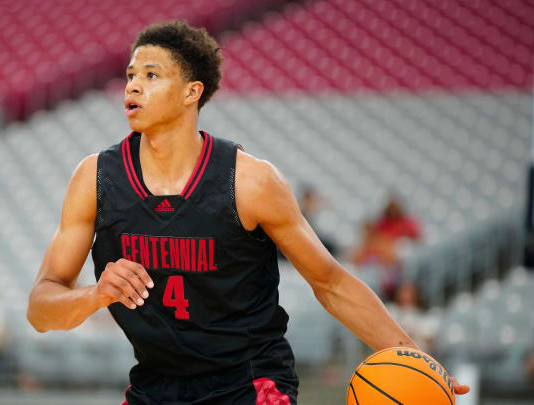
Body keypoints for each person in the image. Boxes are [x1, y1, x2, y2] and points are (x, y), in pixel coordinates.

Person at [26, 20, 469, 404]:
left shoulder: (250, 181)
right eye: (130, 75)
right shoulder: (96, 178)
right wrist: (94, 295)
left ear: (191, 92)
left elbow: (330, 282)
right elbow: (40, 309)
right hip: (156, 385)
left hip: (249, 384)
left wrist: (416, 358)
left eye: (151, 74)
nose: (133, 85)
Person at [350, 220, 401, 300]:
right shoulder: (362, 247)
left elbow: (391, 261)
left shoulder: (384, 243)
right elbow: (355, 262)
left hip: (383, 280)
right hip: (365, 281)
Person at [386, 282, 438, 353]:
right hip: (392, 352)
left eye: (409, 292)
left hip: (416, 355)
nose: (406, 296)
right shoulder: (391, 311)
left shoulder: (424, 317)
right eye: (403, 292)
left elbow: (430, 341)